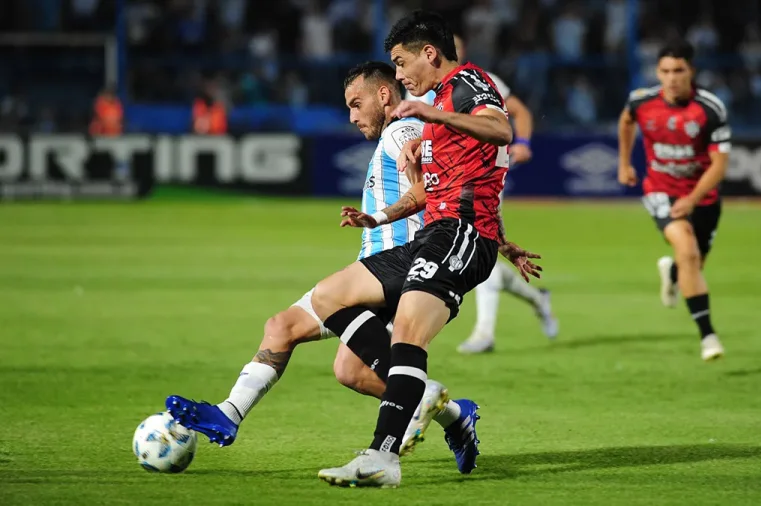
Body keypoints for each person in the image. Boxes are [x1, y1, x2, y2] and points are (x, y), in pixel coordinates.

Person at [165, 61, 481, 468]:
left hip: (401, 266)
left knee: (323, 328)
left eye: (356, 104)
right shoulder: (396, 134)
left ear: (384, 95)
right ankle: (455, 414)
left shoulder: (403, 131)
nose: (351, 116)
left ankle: (426, 402)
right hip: (374, 267)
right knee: (315, 349)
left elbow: (437, 184)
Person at [315, 10, 542, 488]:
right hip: (442, 233)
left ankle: (382, 457)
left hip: (458, 234)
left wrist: (434, 116)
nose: (398, 75)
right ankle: (443, 415)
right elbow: (435, 192)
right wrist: (375, 217)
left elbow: (502, 130)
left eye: (400, 63)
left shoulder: (466, 83)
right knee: (328, 297)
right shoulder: (439, 107)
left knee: (407, 337)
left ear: (429, 54)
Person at [406, 32, 558, 354]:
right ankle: (537, 298)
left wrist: (525, 144)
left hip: (475, 176)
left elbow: (518, 114)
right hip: (437, 183)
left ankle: (483, 332)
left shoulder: (479, 82)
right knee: (477, 252)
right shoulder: (419, 89)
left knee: (472, 240)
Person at [617, 40, 729, 362]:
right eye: (665, 71)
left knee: (694, 263)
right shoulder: (641, 101)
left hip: (702, 196)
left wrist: (693, 199)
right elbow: (626, 122)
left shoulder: (710, 109)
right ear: (657, 72)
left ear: (691, 71)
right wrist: (624, 162)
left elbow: (720, 165)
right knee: (688, 249)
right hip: (660, 190)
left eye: (679, 71)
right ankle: (708, 336)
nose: (671, 78)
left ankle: (674, 274)